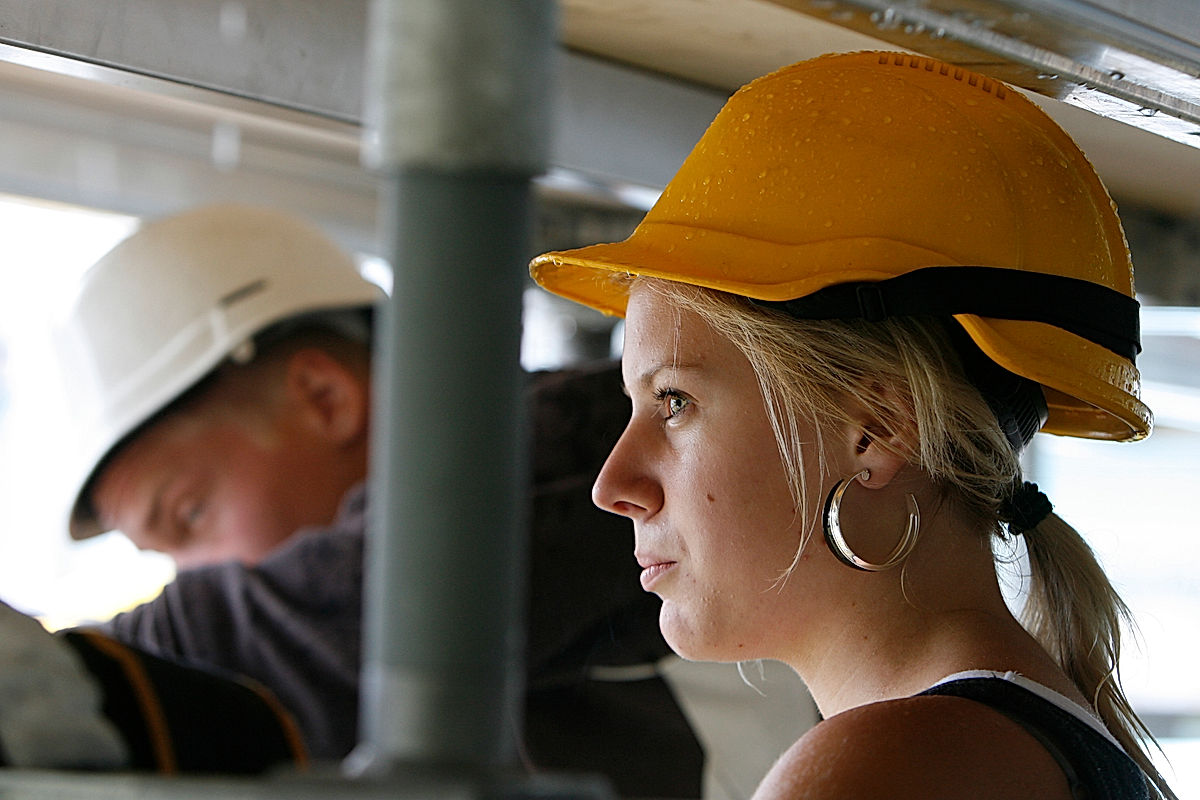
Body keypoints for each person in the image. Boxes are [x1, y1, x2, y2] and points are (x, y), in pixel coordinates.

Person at [529, 51, 1176, 800]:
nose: (615, 486)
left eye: (675, 402)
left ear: (875, 429)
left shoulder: (890, 767)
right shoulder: (1020, 739)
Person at [51, 204, 807, 796]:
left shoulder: (589, 461)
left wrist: (64, 670)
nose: (199, 575)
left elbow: (306, 632)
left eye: (188, 517)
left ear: (323, 397)